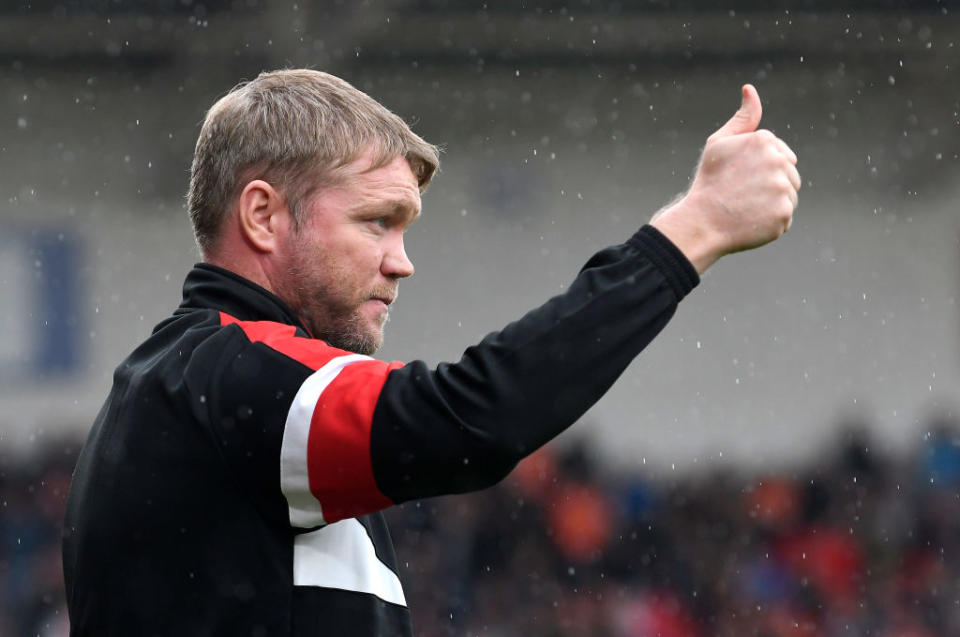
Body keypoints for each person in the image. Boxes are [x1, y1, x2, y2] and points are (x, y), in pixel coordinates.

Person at [62, 69, 799, 636]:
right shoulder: (224, 375)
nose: (401, 261)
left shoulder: (202, 388)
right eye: (376, 221)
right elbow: (469, 418)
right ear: (262, 215)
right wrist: (692, 234)